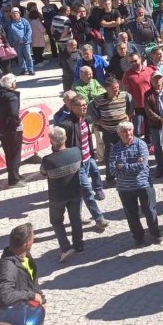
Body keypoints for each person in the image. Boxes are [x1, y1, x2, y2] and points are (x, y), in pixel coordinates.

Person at [54, 93, 108, 232]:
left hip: (88, 158)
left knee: (81, 190)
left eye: (85, 105)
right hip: (76, 164)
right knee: (87, 190)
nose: (85, 108)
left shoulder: (85, 120)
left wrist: (91, 155)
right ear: (72, 107)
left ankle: (76, 216)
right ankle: (99, 219)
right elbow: (57, 145)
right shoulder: (66, 124)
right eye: (81, 106)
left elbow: (87, 139)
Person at [107, 120, 161, 247]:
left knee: (149, 211)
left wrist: (123, 166)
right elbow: (113, 170)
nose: (128, 133)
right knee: (131, 215)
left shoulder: (141, 144)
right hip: (125, 189)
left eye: (130, 130)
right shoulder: (115, 149)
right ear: (119, 134)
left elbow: (142, 166)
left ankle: (155, 233)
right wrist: (133, 165)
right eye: (125, 131)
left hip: (143, 185)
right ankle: (138, 237)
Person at [40, 126, 84, 263]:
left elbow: (43, 173)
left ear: (51, 141)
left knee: (56, 221)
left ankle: (65, 248)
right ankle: (79, 246)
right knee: (76, 219)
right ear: (65, 138)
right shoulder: (76, 152)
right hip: (75, 192)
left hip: (57, 197)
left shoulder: (48, 160)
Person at [0, 73, 24, 187]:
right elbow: (13, 114)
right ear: (11, 84)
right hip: (11, 130)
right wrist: (17, 125)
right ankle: (14, 179)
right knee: (15, 154)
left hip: (0, 129)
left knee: (8, 153)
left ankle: (14, 174)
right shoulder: (12, 97)